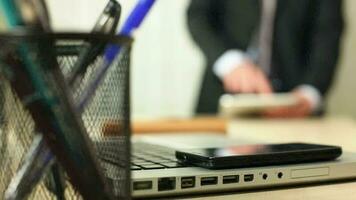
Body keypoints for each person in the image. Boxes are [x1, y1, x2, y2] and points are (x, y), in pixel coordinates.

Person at [187, 0, 344, 117]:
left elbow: (328, 33)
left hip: (295, 110)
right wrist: (230, 62)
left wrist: (310, 92)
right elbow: (197, 16)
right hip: (219, 104)